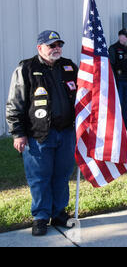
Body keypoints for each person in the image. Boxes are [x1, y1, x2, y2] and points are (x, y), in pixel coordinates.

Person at [6, 31, 78, 236]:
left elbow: (83, 95)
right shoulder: (26, 68)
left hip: (66, 133)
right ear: (40, 48)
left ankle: (58, 213)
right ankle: (40, 216)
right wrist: (18, 133)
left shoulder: (69, 66)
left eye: (58, 45)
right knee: (39, 177)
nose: (56, 49)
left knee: (62, 175)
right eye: (51, 45)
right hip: (38, 135)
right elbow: (14, 104)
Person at [108, 28, 127, 129]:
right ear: (120, 36)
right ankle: (117, 125)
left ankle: (125, 125)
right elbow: (111, 65)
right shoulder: (114, 48)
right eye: (126, 36)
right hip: (119, 80)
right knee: (119, 103)